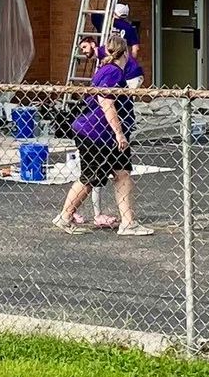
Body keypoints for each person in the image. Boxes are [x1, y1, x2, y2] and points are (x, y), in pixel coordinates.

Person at [54, 26, 147, 235]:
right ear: (123, 53)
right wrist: (119, 133)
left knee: (122, 173)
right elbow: (107, 103)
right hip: (96, 134)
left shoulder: (106, 70)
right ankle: (65, 217)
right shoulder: (113, 71)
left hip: (104, 135)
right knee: (90, 178)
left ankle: (128, 223)